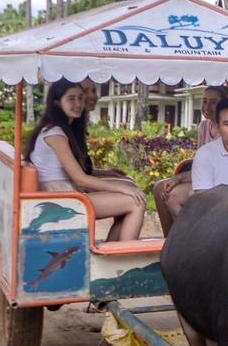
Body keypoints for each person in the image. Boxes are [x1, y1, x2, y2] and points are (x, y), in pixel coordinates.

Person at [26, 79, 146, 242]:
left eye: (80, 98)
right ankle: (123, 254)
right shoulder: (55, 134)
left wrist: (111, 178)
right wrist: (121, 189)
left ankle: (113, 249)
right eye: (71, 99)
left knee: (129, 189)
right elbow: (79, 178)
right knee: (135, 202)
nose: (78, 104)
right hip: (62, 200)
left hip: (65, 192)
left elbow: (75, 171)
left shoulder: (57, 129)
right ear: (56, 103)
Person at [151, 85, 227, 236]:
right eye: (204, 101)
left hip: (220, 181)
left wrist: (178, 179)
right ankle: (169, 238)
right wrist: (176, 179)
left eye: (213, 102)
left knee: (172, 197)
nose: (207, 106)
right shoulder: (204, 126)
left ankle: (191, 239)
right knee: (159, 188)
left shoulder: (227, 129)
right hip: (205, 178)